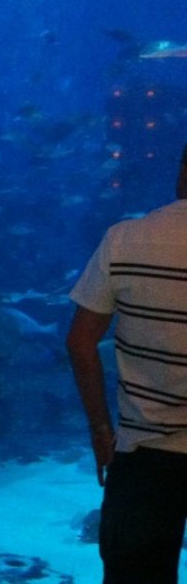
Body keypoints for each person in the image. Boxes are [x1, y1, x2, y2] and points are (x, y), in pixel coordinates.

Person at [66, 143, 187, 584]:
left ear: (181, 172)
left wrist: (101, 431)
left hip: (141, 455)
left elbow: (80, 343)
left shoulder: (126, 239)